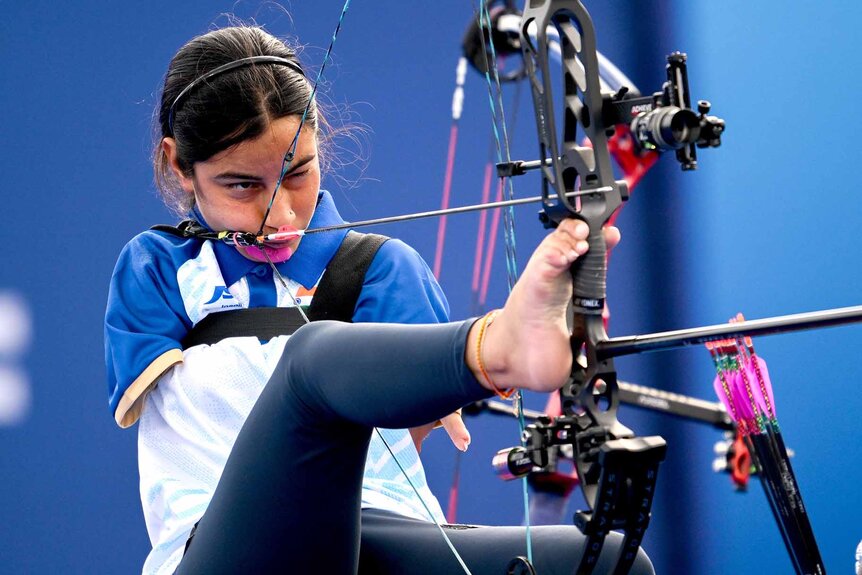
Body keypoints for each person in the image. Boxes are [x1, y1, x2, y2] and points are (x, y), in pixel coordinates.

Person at [104, 24, 653, 575]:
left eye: (297, 174)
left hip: (370, 544)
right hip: (222, 555)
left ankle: (500, 346)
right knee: (312, 363)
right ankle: (500, 346)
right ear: (179, 165)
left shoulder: (382, 268)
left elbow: (391, 451)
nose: (280, 215)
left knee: (608, 563)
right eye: (242, 186)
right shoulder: (157, 268)